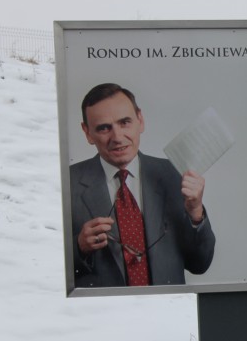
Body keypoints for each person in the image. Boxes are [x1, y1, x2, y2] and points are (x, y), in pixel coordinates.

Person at [71, 83, 216, 288]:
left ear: (140, 120)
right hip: (102, 315)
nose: (117, 137)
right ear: (87, 133)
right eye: (104, 128)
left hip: (166, 310)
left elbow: (200, 264)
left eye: (125, 122)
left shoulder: (176, 175)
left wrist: (196, 213)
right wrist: (78, 247)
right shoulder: (67, 183)